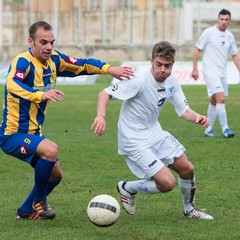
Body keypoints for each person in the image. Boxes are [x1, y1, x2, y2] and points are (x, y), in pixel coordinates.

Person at [0, 21, 133, 220]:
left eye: (51, 42)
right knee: (51, 149)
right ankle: (39, 201)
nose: (48, 47)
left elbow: (81, 65)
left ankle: (26, 210)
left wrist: (108, 69)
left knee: (55, 175)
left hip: (34, 133)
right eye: (43, 42)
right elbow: (12, 84)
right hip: (12, 134)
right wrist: (40, 95)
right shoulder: (23, 62)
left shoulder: (54, 60)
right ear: (31, 41)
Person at [91, 41, 213, 220]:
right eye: (159, 65)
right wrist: (101, 116)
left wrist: (197, 117)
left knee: (187, 169)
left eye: (167, 66)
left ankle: (190, 210)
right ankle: (128, 188)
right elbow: (104, 93)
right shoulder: (138, 81)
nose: (163, 70)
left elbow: (183, 111)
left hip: (154, 133)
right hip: (132, 139)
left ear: (173, 64)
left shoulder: (171, 81)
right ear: (151, 61)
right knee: (167, 183)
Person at [192, 8, 240, 138]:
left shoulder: (230, 36)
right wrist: (195, 68)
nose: (224, 22)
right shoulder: (209, 32)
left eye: (226, 19)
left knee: (214, 100)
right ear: (218, 19)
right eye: (221, 19)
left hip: (222, 72)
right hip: (210, 71)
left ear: (229, 21)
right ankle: (226, 129)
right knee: (221, 98)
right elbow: (197, 49)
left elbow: (235, 55)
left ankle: (208, 129)